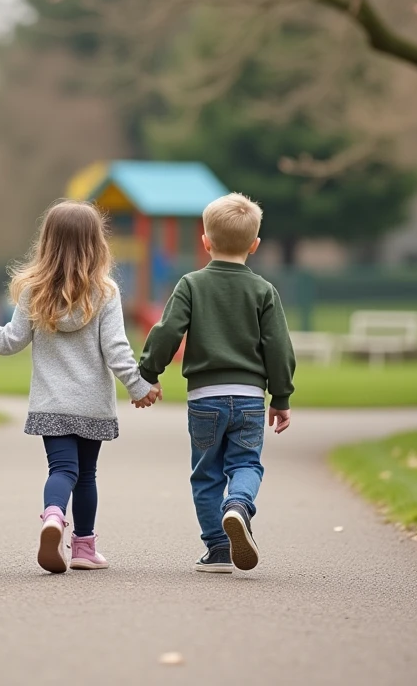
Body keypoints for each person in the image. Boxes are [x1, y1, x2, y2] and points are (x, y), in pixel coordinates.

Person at [0, 201, 157, 574]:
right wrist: (139, 386)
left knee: (62, 469)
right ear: (96, 244)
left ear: (47, 242)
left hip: (50, 405)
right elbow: (116, 350)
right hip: (92, 408)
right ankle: (84, 548)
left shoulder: (33, 291)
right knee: (86, 476)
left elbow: (8, 342)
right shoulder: (106, 293)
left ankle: (53, 516)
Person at [137, 193, 296, 574]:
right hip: (249, 399)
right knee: (246, 463)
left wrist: (148, 372)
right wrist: (281, 396)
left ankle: (219, 549)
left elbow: (168, 331)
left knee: (207, 473)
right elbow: (279, 347)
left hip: (205, 398)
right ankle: (239, 505)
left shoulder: (191, 284)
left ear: (206, 241)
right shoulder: (263, 291)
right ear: (255, 246)